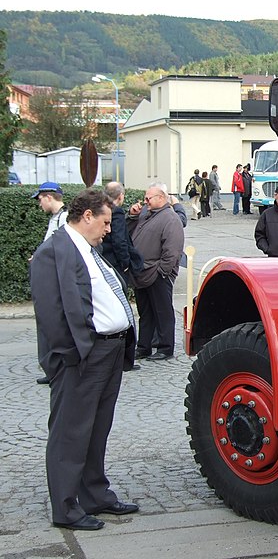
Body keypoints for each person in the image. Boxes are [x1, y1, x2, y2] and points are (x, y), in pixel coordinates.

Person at [29, 188, 139, 531]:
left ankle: (94, 493)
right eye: (105, 222)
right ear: (87, 216)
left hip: (110, 351)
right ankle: (65, 507)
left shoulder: (90, 250)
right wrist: (72, 355)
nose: (109, 229)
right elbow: (50, 312)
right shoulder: (54, 251)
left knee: (96, 428)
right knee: (69, 433)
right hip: (82, 356)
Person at [130, 183, 184, 361]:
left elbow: (172, 250)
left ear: (161, 198)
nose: (145, 202)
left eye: (148, 198)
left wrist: (162, 271)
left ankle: (165, 347)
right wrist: (132, 215)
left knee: (163, 312)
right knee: (145, 313)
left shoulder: (170, 219)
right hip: (142, 272)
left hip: (158, 273)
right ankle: (144, 346)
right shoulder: (146, 214)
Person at [101, 182, 143, 371]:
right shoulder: (115, 212)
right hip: (116, 266)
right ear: (120, 196)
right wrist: (125, 264)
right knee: (122, 310)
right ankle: (126, 357)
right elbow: (119, 241)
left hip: (105, 262)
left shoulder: (100, 208)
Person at [32, 182, 69, 384]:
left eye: (40, 199)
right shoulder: (57, 218)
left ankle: (55, 367)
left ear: (48, 197)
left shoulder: (63, 219)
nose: (40, 204)